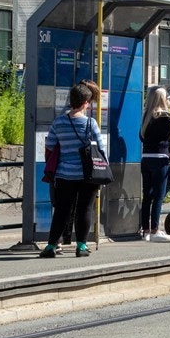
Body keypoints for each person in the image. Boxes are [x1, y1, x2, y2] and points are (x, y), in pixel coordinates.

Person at [42, 81, 101, 257]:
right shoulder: (90, 124)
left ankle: (51, 246)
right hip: (87, 175)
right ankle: (81, 246)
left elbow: (50, 146)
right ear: (85, 103)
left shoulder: (58, 122)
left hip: (64, 175)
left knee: (62, 210)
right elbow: (101, 148)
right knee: (85, 209)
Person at [138, 85, 170, 241]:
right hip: (160, 158)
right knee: (158, 195)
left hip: (146, 158)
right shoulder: (166, 117)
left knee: (147, 196)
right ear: (164, 99)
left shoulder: (147, 117)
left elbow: (141, 137)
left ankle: (145, 231)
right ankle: (156, 229)